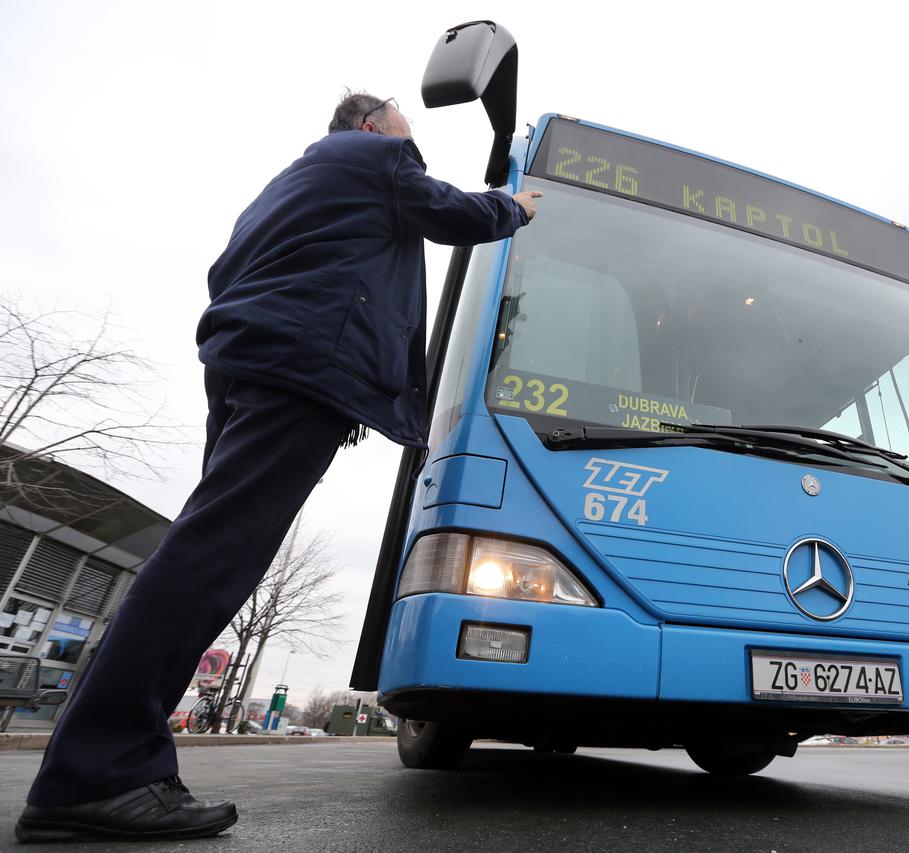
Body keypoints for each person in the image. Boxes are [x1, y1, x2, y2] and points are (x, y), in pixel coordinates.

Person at [15, 92, 540, 843]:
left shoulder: (289, 188)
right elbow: (454, 214)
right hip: (301, 371)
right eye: (406, 126)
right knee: (209, 560)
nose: (412, 141)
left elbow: (222, 276)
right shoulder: (372, 158)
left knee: (202, 556)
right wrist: (515, 205)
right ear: (370, 126)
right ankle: (97, 774)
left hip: (246, 367)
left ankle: (107, 763)